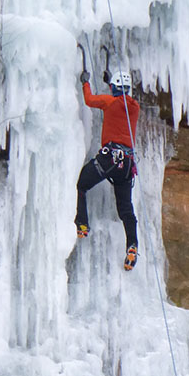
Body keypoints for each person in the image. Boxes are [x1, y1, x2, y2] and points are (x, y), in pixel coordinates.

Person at [75, 66, 140, 271]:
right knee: (126, 210)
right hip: (127, 164)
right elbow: (123, 103)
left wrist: (85, 82)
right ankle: (132, 246)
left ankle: (83, 225)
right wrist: (110, 83)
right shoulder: (135, 107)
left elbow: (90, 100)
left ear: (114, 88)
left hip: (110, 158)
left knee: (82, 185)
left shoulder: (109, 101)